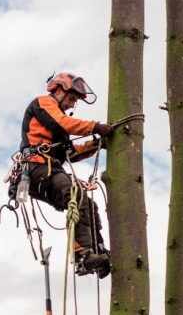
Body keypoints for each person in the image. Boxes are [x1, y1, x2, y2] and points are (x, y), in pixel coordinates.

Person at [20, 72, 114, 277]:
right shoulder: (42, 103)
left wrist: (96, 144)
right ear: (59, 89)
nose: (72, 105)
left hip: (49, 170)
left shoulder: (58, 129)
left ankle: (97, 253)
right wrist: (95, 127)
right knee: (75, 194)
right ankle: (82, 255)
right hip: (36, 168)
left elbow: (69, 152)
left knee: (88, 204)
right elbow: (63, 122)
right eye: (71, 99)